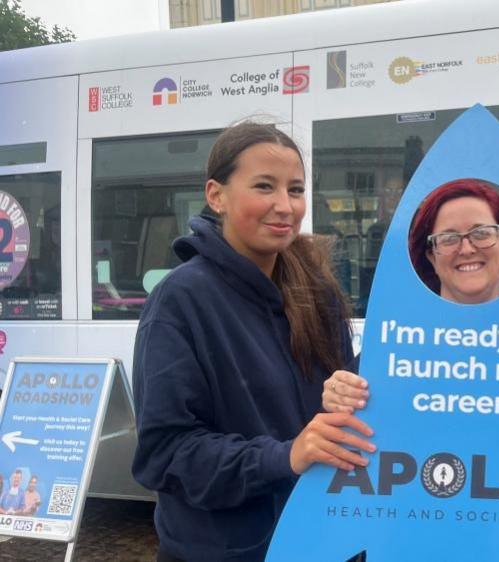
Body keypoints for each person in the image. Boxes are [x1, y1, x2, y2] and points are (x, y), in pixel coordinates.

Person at [131, 121, 375, 562]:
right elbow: (165, 455)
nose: (285, 206)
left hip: (322, 542)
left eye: (296, 190)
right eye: (265, 186)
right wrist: (285, 457)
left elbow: (355, 407)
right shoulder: (180, 301)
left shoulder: (316, 289)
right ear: (216, 195)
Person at [323, 179, 499, 457]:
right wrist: (336, 399)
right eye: (448, 239)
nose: (467, 248)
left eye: (481, 233)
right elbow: (341, 441)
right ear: (432, 257)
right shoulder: (399, 341)